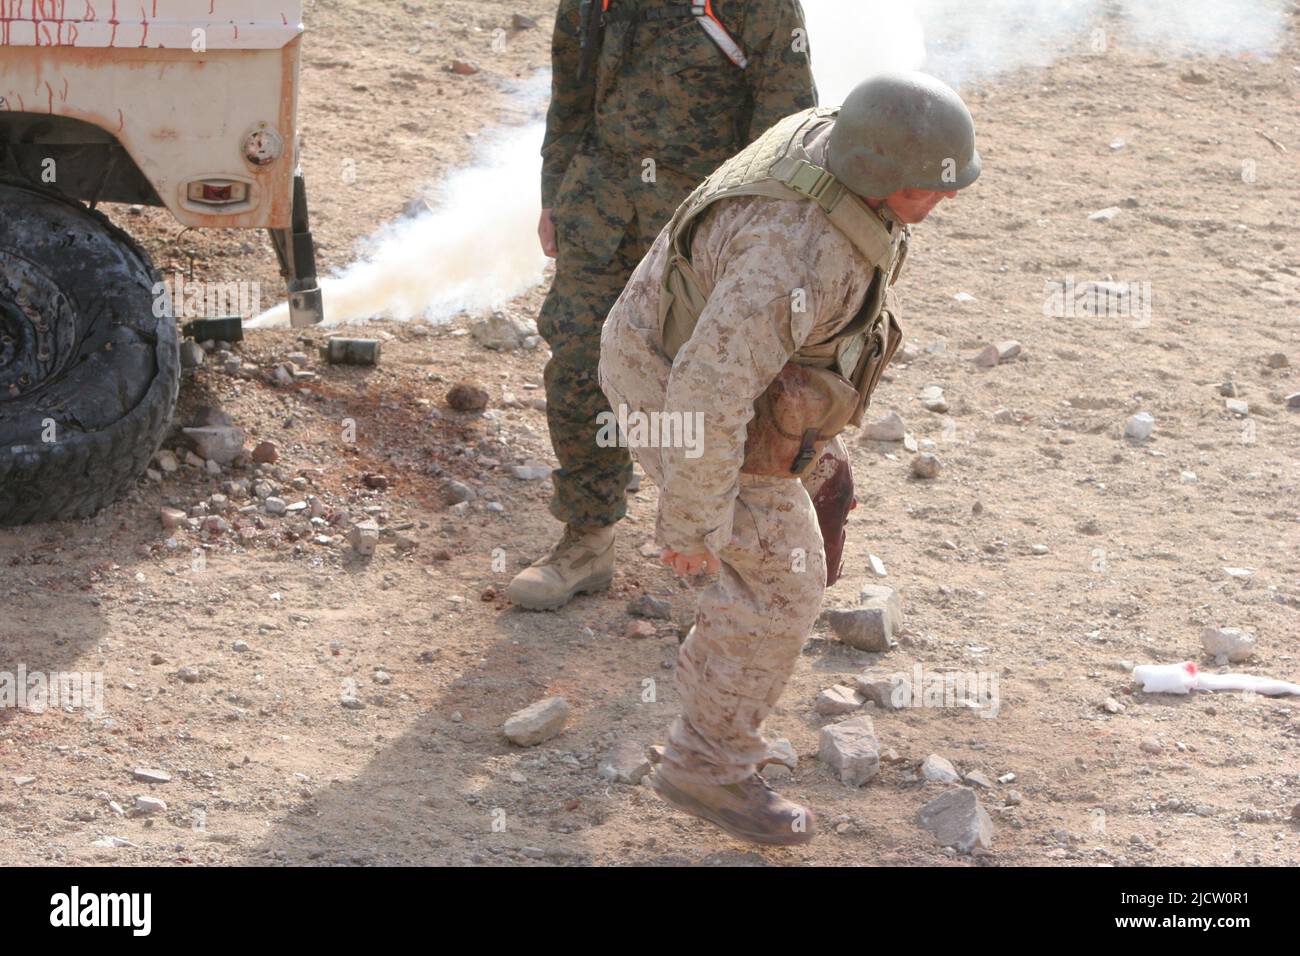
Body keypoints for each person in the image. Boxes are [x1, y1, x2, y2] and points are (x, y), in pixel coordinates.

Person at [598, 71, 982, 844]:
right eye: (922, 188)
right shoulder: (796, 257)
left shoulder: (841, 145)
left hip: (722, 365)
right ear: (874, 172)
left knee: (821, 503)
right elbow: (707, 394)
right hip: (674, 393)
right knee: (784, 583)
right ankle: (706, 766)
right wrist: (692, 524)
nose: (937, 203)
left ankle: (727, 650)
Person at [507, 0, 818, 610]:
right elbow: (570, 100)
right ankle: (587, 540)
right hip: (599, 212)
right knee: (577, 366)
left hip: (702, 227)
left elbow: (788, 128)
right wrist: (554, 196)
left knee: (723, 390)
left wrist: (762, 246)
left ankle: (735, 564)